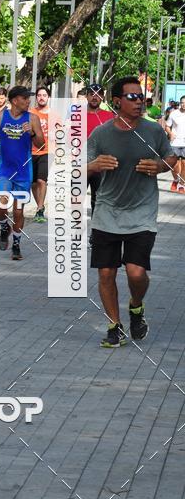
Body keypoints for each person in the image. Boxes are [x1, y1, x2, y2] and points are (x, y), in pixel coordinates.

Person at [87, 77, 176, 348]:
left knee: (136, 273)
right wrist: (94, 165)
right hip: (107, 212)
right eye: (133, 97)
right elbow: (78, 166)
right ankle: (115, 325)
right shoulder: (101, 134)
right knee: (106, 274)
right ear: (116, 101)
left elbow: (171, 158)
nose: (140, 102)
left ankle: (136, 307)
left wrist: (160, 166)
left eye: (142, 98)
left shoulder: (153, 131)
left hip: (142, 212)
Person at [0, 85, 44, 260]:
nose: (28, 101)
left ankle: (17, 244)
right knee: (0, 205)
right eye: (25, 98)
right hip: (5, 169)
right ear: (14, 101)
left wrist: (32, 133)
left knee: (18, 211)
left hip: (23, 171)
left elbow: (41, 143)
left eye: (29, 98)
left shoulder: (32, 118)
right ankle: (4, 226)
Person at [85, 84, 115, 215]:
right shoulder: (76, 115)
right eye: (91, 94)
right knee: (75, 199)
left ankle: (95, 234)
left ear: (102, 97)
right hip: (81, 163)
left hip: (101, 164)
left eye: (98, 94)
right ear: (86, 96)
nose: (94, 97)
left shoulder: (110, 117)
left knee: (97, 200)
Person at [31, 85, 50, 222]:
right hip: (31, 151)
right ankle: (40, 205)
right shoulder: (31, 113)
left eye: (44, 95)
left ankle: (39, 207)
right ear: (36, 98)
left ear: (48, 97)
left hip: (47, 151)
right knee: (32, 183)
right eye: (39, 95)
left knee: (41, 180)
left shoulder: (54, 115)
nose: (41, 97)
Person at [166, 95, 185, 192]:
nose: (184, 104)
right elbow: (167, 126)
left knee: (184, 164)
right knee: (174, 165)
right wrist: (170, 133)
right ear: (180, 103)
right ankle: (176, 180)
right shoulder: (173, 114)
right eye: (182, 102)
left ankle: (182, 184)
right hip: (175, 143)